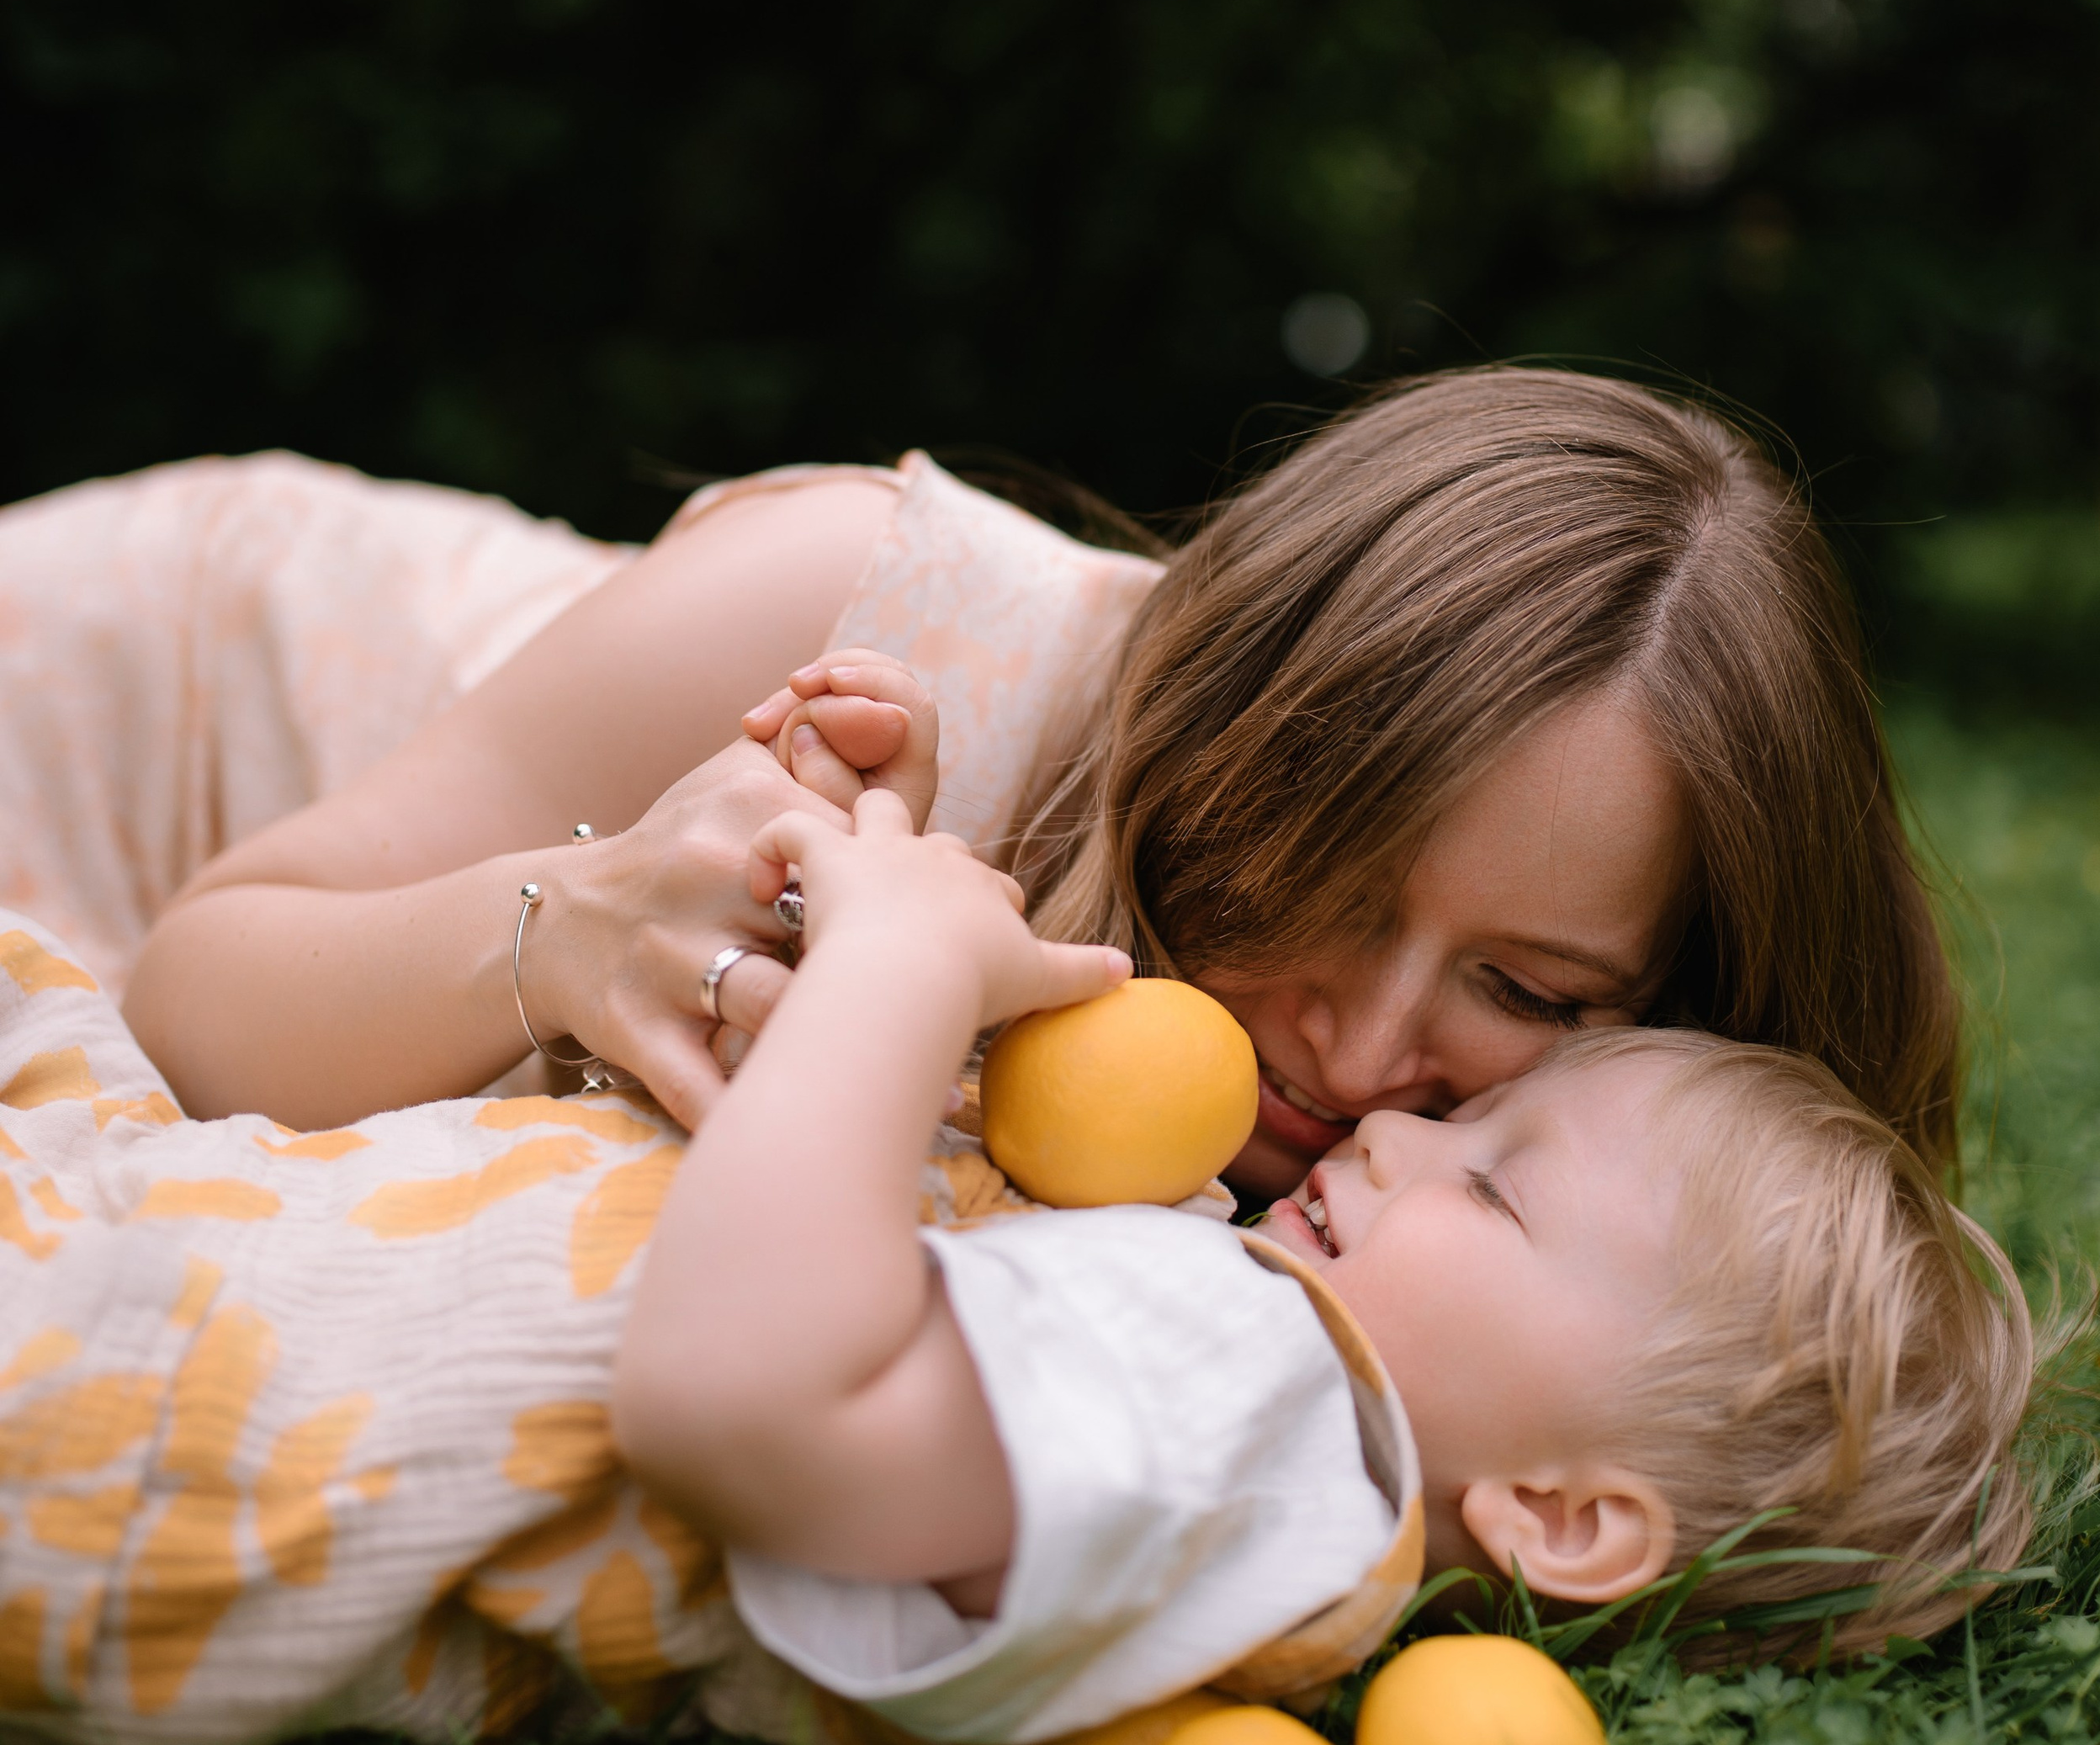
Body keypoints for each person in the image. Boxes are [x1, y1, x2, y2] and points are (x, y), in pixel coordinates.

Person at [0, 784, 2034, 1745]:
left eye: (1494, 1192)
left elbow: (737, 1392)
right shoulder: (1215, 1386)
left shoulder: (1249, 1409)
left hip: (140, 1390)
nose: (1392, 1133)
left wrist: (896, 966)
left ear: (1565, 1519)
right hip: (183, 1234)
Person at [2, 371, 1959, 1185]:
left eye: (1526, 987)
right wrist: (562, 934)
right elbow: (196, 994)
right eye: (1318, 881)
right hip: (114, 699)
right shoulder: (854, 617)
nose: (1361, 1054)